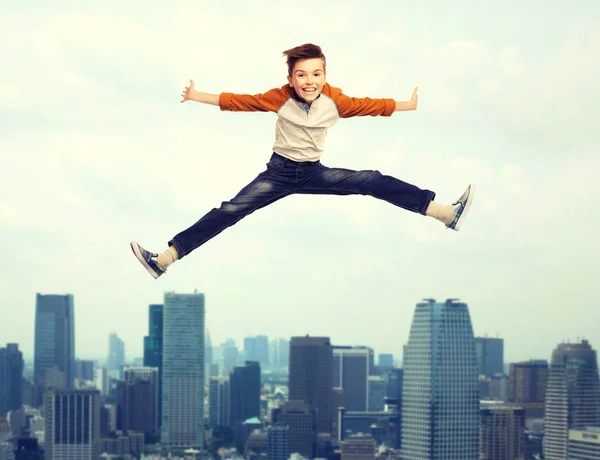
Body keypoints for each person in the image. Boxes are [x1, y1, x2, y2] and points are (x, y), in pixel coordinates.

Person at [130, 43, 475, 279]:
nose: (309, 81)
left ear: (324, 75)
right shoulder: (279, 98)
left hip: (315, 174)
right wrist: (195, 96)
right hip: (278, 174)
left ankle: (444, 212)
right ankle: (165, 260)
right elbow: (239, 101)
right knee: (230, 211)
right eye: (302, 75)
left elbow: (371, 105)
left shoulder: (336, 101)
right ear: (291, 79)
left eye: (316, 74)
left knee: (371, 179)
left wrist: (406, 105)